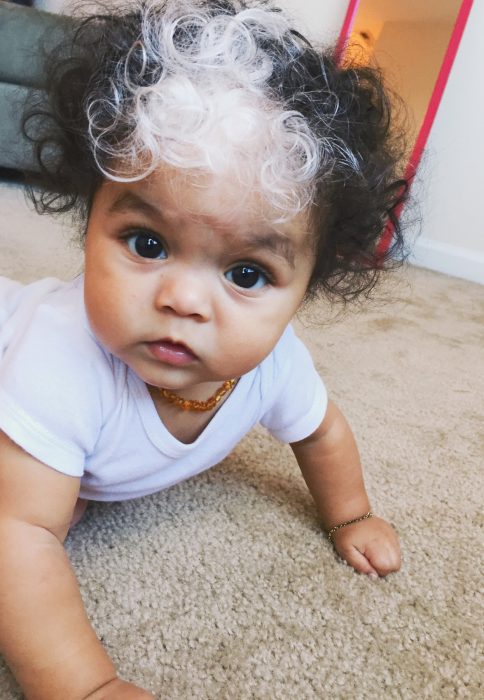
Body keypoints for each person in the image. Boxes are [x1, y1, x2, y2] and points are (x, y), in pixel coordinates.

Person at [0, 1, 408, 697]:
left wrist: (353, 513)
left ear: (308, 286)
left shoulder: (274, 364)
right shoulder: (59, 356)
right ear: (90, 214)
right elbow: (17, 539)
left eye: (246, 273)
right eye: (148, 244)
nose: (183, 300)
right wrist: (84, 685)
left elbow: (323, 432)